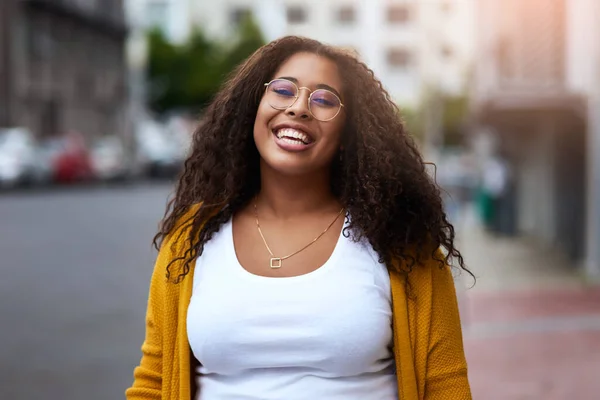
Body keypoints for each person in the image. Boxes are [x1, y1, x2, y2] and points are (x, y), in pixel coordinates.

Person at [126, 36, 472, 400]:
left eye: (324, 100)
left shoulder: (401, 239)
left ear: (347, 134)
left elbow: (445, 385)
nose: (299, 108)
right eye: (283, 90)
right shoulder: (191, 237)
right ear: (253, 109)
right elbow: (154, 380)